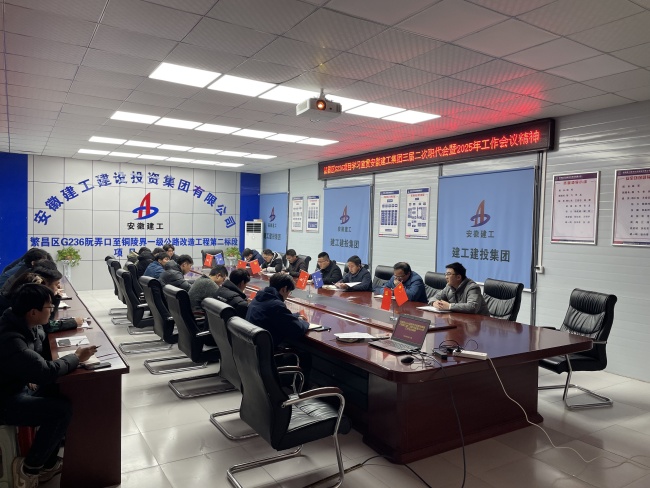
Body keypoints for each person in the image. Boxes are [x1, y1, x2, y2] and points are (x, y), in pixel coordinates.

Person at [0, 283, 97, 487]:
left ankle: (49, 460)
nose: (52, 310)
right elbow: (46, 372)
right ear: (33, 312)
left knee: (58, 389)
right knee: (60, 410)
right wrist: (76, 357)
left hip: (17, 386)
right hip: (6, 401)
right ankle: (30, 468)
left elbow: (45, 331)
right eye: (49, 307)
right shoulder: (11, 339)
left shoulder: (22, 321)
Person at [246, 273, 309, 347]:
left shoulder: (259, 297)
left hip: (252, 346)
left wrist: (296, 315)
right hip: (268, 349)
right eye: (289, 292)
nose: (287, 296)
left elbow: (279, 316)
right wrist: (304, 321)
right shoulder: (276, 305)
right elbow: (297, 330)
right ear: (284, 289)